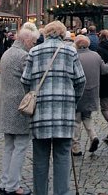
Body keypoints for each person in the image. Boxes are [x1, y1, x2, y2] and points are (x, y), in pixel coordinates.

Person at [21, 21, 85, 195]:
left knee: (40, 159)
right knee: (62, 157)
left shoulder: (34, 51)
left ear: (46, 34)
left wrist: (33, 95)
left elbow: (25, 80)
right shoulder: (70, 51)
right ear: (63, 34)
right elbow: (80, 80)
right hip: (64, 114)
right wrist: (72, 100)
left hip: (40, 114)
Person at [0, 25, 40, 195]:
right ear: (27, 40)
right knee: (20, 146)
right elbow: (32, 80)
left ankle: (5, 182)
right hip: (19, 107)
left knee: (9, 146)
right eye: (33, 42)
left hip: (6, 104)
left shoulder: (7, 53)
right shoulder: (23, 56)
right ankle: (13, 187)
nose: (34, 45)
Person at [72, 35, 108, 156]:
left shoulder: (74, 57)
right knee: (87, 117)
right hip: (92, 92)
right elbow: (105, 70)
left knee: (76, 120)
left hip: (78, 92)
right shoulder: (96, 55)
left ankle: (76, 146)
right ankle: (93, 136)